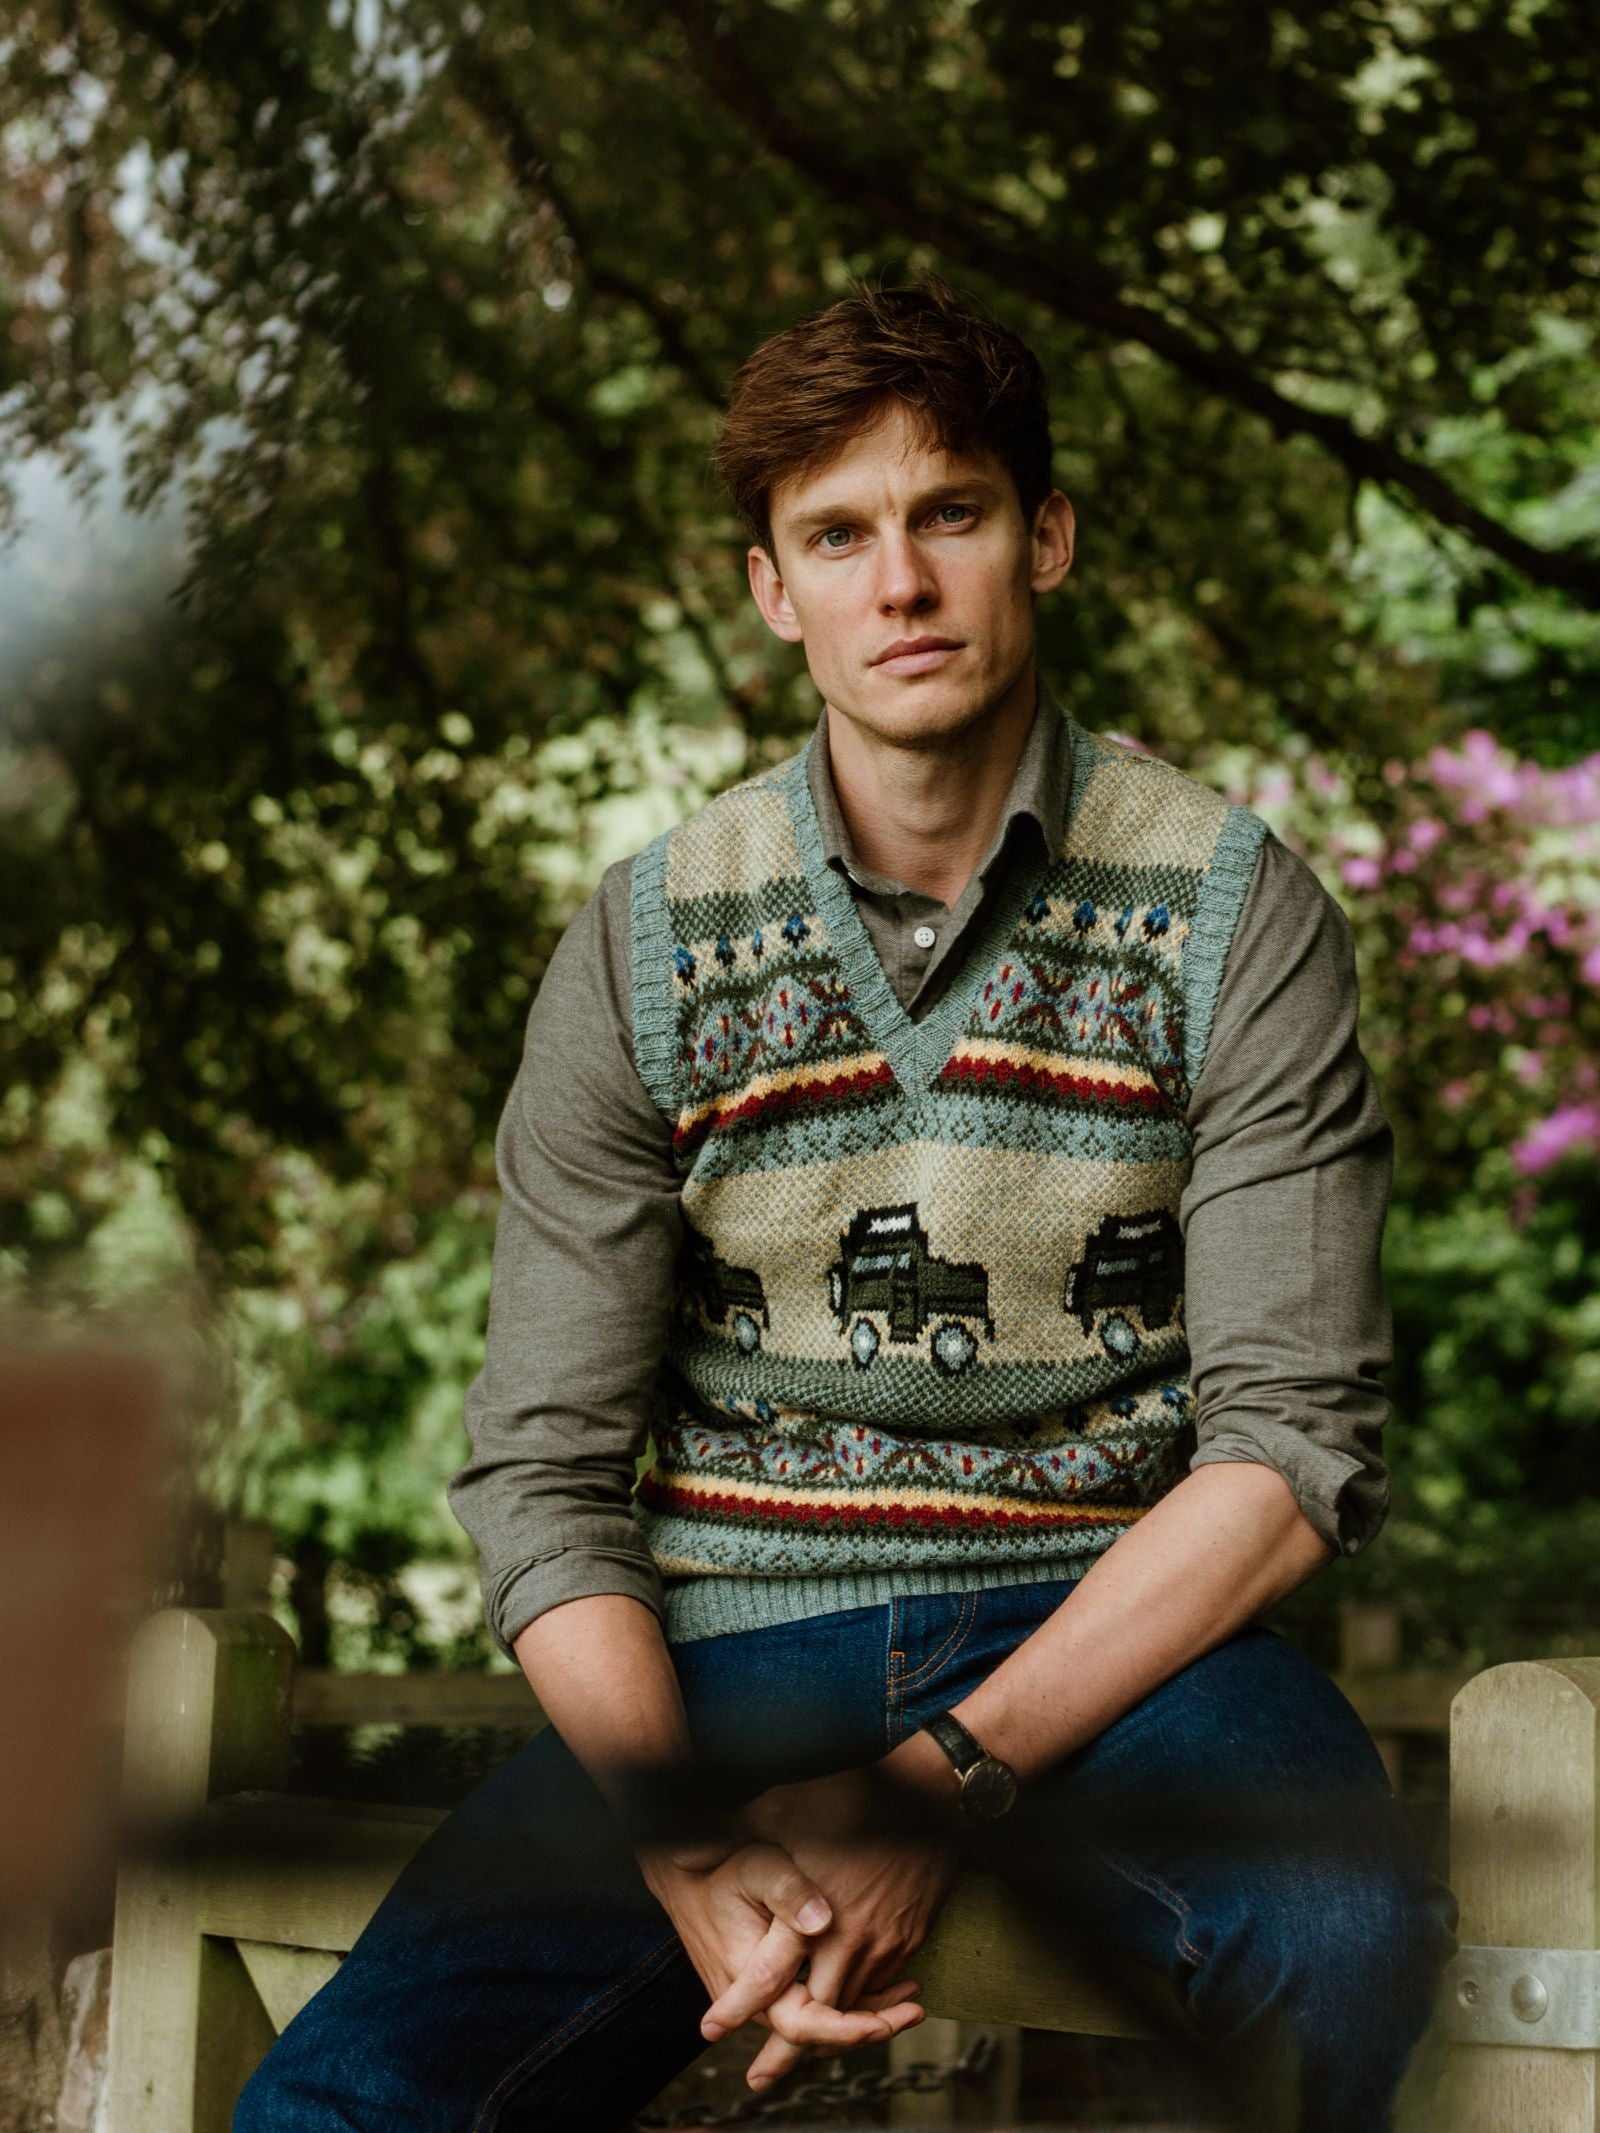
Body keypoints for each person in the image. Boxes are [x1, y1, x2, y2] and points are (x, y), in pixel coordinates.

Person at [236, 278, 1456, 2133]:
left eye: (949, 513)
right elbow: (543, 1473)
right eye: (838, 534)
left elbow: (1287, 1452)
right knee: (340, 2107)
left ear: (1041, 538)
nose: (900, 583)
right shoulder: (646, 940)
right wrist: (671, 1835)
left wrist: (939, 1780)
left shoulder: (1233, 908)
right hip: (727, 1647)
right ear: (770, 587)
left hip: (1123, 1642)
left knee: (1345, 1930)